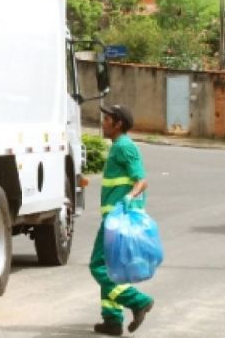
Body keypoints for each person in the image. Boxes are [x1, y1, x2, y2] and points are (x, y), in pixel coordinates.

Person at [91, 104, 155, 336]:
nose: (103, 121)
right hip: (113, 219)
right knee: (111, 268)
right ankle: (112, 320)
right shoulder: (118, 146)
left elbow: (141, 180)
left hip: (117, 221)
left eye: (107, 118)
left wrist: (129, 197)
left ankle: (138, 301)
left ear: (118, 124)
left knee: (98, 266)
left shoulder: (125, 147)